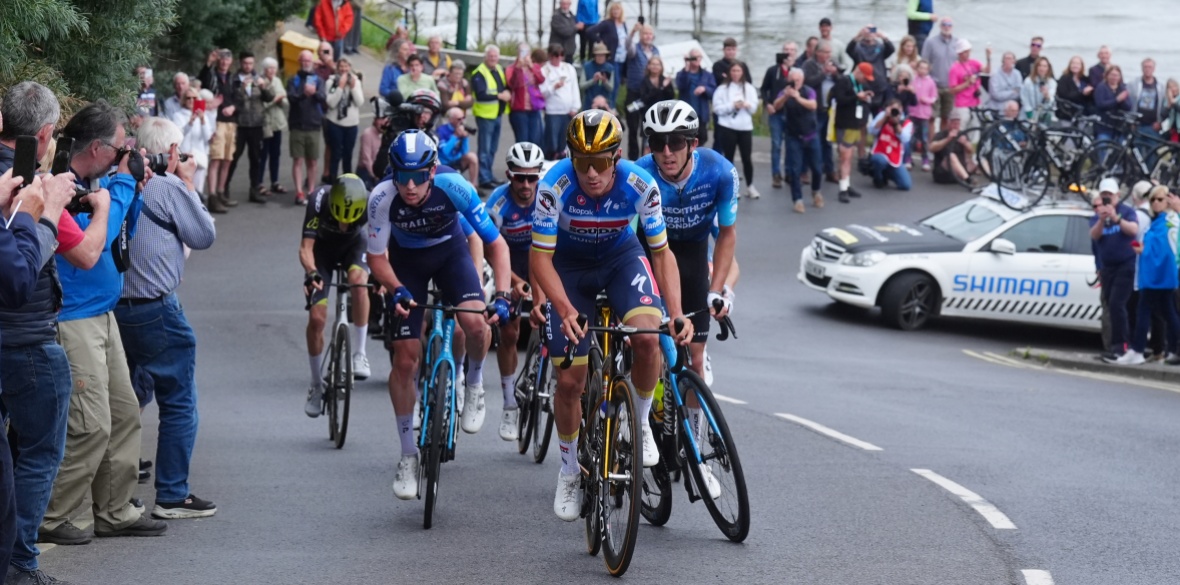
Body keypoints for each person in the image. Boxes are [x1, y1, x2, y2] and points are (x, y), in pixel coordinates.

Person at [530, 110, 692, 521]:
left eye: (600, 162)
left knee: (648, 338)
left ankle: (636, 425)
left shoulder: (641, 183)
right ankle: (568, 472)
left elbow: (661, 252)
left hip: (621, 258)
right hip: (568, 267)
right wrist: (563, 309)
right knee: (570, 381)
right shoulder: (554, 185)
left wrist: (674, 313)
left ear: (616, 158)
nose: (591, 174)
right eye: (582, 162)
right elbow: (540, 259)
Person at [45, 102, 169, 544]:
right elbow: (88, 248)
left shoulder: (100, 184)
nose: (125, 156)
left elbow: (119, 238)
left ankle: (116, 509)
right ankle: (51, 513)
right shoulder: (60, 185)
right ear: (97, 147)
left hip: (103, 313)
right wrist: (120, 187)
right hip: (73, 318)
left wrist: (130, 190)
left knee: (123, 414)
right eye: (120, 149)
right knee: (90, 424)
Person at [366, 130, 512, 500]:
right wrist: (394, 286)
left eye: (418, 176)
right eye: (402, 176)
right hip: (406, 263)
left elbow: (495, 242)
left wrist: (505, 295)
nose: (410, 186)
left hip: (450, 253)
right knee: (404, 359)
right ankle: (407, 455)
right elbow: (376, 258)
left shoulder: (453, 184)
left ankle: (474, 384)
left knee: (476, 324)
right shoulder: (382, 196)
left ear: (432, 170)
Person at [0, 82, 99, 585]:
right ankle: (20, 561)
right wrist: (53, 210)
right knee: (40, 453)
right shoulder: (27, 184)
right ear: (44, 135)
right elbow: (25, 268)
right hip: (27, 337)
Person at [119, 118, 218, 521]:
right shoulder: (169, 186)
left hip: (113, 307)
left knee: (125, 396)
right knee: (178, 400)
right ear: (171, 152)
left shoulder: (121, 181)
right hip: (156, 309)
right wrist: (188, 182)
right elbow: (204, 235)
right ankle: (173, 493)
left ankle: (111, 490)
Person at [634, 101, 735, 462]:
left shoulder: (720, 172)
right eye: (657, 142)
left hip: (691, 254)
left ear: (692, 143)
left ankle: (693, 442)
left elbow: (726, 236)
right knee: (642, 338)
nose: (666, 152)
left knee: (695, 358)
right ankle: (640, 421)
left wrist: (716, 289)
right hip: (649, 251)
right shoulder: (640, 172)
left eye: (675, 142)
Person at [484, 143, 545, 440]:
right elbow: (490, 251)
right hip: (507, 264)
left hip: (543, 260)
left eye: (532, 178)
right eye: (519, 178)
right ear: (508, 175)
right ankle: (509, 403)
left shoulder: (548, 197)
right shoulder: (497, 204)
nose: (525, 185)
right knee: (509, 332)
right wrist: (516, 283)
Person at [300, 174, 372, 416]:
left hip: (355, 248)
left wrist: (383, 278)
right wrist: (311, 273)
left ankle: (360, 353)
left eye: (348, 221)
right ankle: (316, 384)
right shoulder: (318, 199)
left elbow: (382, 246)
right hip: (323, 252)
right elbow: (306, 248)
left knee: (359, 282)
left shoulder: (370, 203)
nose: (343, 226)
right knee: (317, 319)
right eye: (339, 220)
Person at [1117, 185, 1180, 365]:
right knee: (1168, 313)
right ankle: (1171, 348)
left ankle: (1137, 349)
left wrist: (1143, 250)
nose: (1155, 203)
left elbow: (1165, 250)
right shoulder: (1159, 221)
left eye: (1160, 199)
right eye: (1153, 199)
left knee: (1144, 310)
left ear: (1168, 200)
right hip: (1157, 276)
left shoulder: (1169, 221)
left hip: (1159, 276)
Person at [1090, 178, 1139, 361]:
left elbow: (1133, 230)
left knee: (1118, 304)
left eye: (1110, 195)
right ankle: (1114, 346)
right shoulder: (1098, 213)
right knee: (1111, 306)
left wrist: (1115, 217)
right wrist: (1102, 220)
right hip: (1107, 267)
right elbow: (1094, 235)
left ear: (1117, 195)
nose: (1107, 198)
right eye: (1104, 195)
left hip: (1125, 265)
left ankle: (1122, 346)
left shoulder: (1126, 211)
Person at [224, 51, 274, 204]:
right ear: (240, 63)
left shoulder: (259, 78)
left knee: (256, 159)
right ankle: (224, 189)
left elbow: (270, 97)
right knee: (233, 158)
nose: (248, 66)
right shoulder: (233, 79)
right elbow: (231, 100)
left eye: (251, 63)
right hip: (239, 124)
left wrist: (264, 87)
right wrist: (241, 89)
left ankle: (255, 189)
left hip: (257, 124)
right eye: (245, 63)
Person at [771, 69, 824, 212]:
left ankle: (816, 191)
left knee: (817, 167)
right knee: (795, 169)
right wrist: (786, 97)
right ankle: (797, 199)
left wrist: (798, 97)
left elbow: (813, 105)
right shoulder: (785, 92)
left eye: (798, 80)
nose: (795, 83)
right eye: (792, 80)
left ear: (802, 79)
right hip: (793, 135)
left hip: (811, 134)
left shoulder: (809, 91)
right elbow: (776, 106)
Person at [713, 61, 760, 199]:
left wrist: (746, 105)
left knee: (747, 158)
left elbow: (754, 108)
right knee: (729, 158)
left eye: (738, 71)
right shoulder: (722, 89)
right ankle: (732, 187)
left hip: (744, 127)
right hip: (727, 126)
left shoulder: (749, 88)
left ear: (743, 72)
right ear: (729, 72)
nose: (736, 74)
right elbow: (717, 109)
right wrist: (732, 106)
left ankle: (750, 186)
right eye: (733, 71)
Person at [200, 49, 239, 210]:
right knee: (216, 159)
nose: (224, 62)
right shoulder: (212, 75)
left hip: (232, 122)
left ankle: (222, 192)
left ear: (231, 61)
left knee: (228, 159)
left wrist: (233, 108)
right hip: (217, 121)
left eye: (227, 60)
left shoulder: (233, 78)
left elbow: (240, 97)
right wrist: (208, 63)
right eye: (221, 60)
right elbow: (202, 83)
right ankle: (213, 196)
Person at [288, 50, 329, 205]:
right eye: (303, 60)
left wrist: (314, 93)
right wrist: (304, 94)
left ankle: (311, 191)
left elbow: (323, 98)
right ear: (299, 61)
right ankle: (299, 191)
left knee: (312, 161)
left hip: (313, 125)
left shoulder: (318, 80)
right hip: (297, 124)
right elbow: (291, 98)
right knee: (297, 159)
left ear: (313, 62)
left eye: (309, 60)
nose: (306, 63)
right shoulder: (294, 80)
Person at [831, 63, 874, 203]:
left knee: (849, 156)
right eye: (865, 77)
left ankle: (846, 184)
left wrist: (865, 97)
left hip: (856, 124)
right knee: (845, 155)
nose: (865, 80)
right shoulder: (844, 81)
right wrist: (856, 97)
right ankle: (843, 188)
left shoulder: (860, 84)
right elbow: (840, 99)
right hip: (845, 124)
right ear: (858, 72)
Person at [169, 88, 217, 210]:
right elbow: (179, 136)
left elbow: (207, 137)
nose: (191, 100)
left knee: (198, 191)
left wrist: (202, 120)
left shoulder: (204, 115)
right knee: (185, 190)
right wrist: (190, 122)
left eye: (194, 98)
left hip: (199, 157)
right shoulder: (178, 115)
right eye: (188, 98)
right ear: (184, 100)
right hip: (184, 158)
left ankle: (200, 215)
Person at [472, 45, 511, 190]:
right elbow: (481, 94)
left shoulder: (499, 69)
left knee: (493, 148)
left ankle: (489, 175)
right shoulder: (479, 73)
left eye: (495, 56)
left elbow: (504, 86)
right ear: (485, 57)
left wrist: (507, 93)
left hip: (497, 114)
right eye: (490, 56)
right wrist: (500, 96)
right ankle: (484, 178)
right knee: (485, 149)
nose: (493, 59)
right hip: (485, 115)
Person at [804, 41, 842, 183]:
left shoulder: (833, 63)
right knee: (812, 141)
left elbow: (841, 81)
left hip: (830, 109)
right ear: (818, 53)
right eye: (826, 52)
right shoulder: (809, 65)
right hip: (816, 109)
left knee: (827, 142)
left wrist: (835, 74)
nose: (828, 55)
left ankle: (829, 170)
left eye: (830, 52)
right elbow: (808, 83)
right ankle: (808, 171)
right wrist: (823, 73)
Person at [324, 58, 365, 183]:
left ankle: (348, 183)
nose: (344, 69)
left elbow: (360, 102)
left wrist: (352, 88)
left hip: (351, 124)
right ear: (337, 67)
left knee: (348, 154)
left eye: (346, 66)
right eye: (341, 66)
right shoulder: (331, 81)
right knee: (336, 154)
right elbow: (330, 103)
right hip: (335, 123)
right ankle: (332, 182)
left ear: (350, 67)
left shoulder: (356, 81)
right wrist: (340, 87)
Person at [624, 24, 660, 159]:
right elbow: (627, 46)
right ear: (640, 36)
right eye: (645, 33)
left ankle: (646, 158)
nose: (648, 36)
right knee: (632, 128)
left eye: (650, 34)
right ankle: (633, 159)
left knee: (648, 128)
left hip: (649, 95)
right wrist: (633, 31)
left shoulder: (656, 51)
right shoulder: (635, 49)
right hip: (634, 93)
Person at [762, 44, 796, 189]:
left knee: (790, 144)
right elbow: (764, 89)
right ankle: (776, 174)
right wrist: (767, 104)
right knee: (776, 144)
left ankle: (789, 172)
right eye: (786, 50)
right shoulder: (773, 70)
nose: (788, 53)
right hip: (776, 113)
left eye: (791, 50)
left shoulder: (797, 71)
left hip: (792, 113)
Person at [586, 1, 630, 108]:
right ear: (610, 11)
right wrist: (599, 41)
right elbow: (590, 31)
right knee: (613, 84)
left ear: (621, 11)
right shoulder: (607, 23)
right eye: (614, 9)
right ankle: (611, 106)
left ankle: (611, 106)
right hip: (612, 59)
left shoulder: (623, 24)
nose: (616, 12)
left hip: (622, 59)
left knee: (618, 84)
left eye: (618, 9)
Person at [541, 44, 581, 159]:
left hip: (567, 111)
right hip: (552, 112)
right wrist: (554, 87)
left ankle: (561, 161)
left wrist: (575, 107)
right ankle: (550, 160)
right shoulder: (545, 70)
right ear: (550, 56)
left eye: (561, 55)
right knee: (551, 143)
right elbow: (542, 92)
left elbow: (574, 88)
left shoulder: (569, 68)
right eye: (555, 55)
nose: (558, 58)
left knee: (565, 142)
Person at [866, 98, 914, 191]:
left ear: (901, 109)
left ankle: (888, 174)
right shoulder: (883, 115)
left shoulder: (907, 122)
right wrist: (885, 117)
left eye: (897, 109)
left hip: (895, 157)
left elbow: (905, 139)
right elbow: (871, 131)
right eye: (893, 109)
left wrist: (896, 123)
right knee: (879, 161)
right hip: (881, 153)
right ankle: (878, 178)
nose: (894, 111)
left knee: (905, 185)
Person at [632, 56, 675, 156]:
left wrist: (666, 86)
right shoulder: (644, 81)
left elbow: (671, 97)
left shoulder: (665, 80)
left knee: (662, 143)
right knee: (647, 145)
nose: (655, 66)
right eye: (653, 64)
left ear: (661, 67)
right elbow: (644, 99)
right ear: (648, 66)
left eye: (657, 64)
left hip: (663, 118)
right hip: (648, 117)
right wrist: (660, 87)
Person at [919, 17, 957, 129]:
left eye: (949, 25)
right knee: (931, 117)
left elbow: (961, 63)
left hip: (950, 87)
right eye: (944, 24)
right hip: (934, 86)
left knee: (946, 117)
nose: (947, 27)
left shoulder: (957, 42)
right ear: (940, 26)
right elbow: (924, 62)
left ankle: (941, 144)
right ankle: (930, 144)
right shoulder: (930, 42)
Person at [260, 57, 289, 197]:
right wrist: (275, 99)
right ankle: (259, 183)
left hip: (277, 123)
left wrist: (280, 100)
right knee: (262, 155)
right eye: (268, 68)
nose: (271, 71)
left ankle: (275, 181)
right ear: (264, 70)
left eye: (273, 68)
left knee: (275, 154)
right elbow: (261, 105)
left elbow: (286, 104)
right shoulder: (259, 82)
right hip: (264, 125)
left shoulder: (277, 81)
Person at [847, 26, 894, 112]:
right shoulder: (858, 47)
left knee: (878, 113)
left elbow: (891, 49)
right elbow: (849, 50)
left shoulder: (880, 47)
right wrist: (858, 36)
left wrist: (883, 37)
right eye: (867, 30)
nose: (869, 32)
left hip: (878, 86)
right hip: (862, 86)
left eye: (872, 30)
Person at [506, 45, 546, 147]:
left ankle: (532, 162)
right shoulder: (511, 68)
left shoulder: (534, 67)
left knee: (534, 140)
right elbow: (512, 84)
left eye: (527, 52)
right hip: (519, 110)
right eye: (522, 51)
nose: (525, 54)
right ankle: (521, 163)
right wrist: (518, 69)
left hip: (534, 109)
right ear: (518, 53)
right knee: (522, 140)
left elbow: (541, 79)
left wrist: (531, 67)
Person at [946, 39, 987, 127]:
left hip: (975, 103)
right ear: (959, 53)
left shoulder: (974, 63)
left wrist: (988, 58)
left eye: (968, 51)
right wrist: (967, 83)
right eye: (965, 52)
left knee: (975, 129)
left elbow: (986, 71)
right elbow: (952, 90)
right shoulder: (954, 69)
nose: (968, 54)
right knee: (961, 129)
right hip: (962, 105)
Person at [928, 110, 975, 184]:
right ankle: (968, 179)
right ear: (948, 123)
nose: (956, 126)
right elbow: (931, 148)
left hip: (960, 170)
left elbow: (971, 150)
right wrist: (948, 139)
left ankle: (992, 179)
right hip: (943, 172)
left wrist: (965, 143)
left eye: (958, 123)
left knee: (980, 157)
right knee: (951, 156)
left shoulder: (962, 134)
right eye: (954, 123)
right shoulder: (941, 134)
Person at [907, 60, 937, 172]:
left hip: (924, 114)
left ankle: (925, 159)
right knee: (911, 138)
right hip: (913, 112)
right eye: (921, 68)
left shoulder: (931, 82)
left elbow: (934, 97)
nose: (922, 70)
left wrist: (926, 100)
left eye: (925, 68)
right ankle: (908, 159)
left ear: (928, 70)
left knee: (924, 139)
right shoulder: (913, 80)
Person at [436, 107, 480, 185]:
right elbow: (445, 152)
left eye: (463, 118)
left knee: (472, 157)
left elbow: (465, 152)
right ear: (451, 119)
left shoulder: (461, 129)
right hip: (444, 164)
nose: (462, 121)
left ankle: (474, 186)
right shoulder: (441, 130)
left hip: (457, 161)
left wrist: (465, 138)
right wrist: (455, 136)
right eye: (459, 119)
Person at [1094, 65, 1133, 143]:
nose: (1114, 77)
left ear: (1120, 77)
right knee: (1102, 146)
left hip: (1119, 127)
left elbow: (1128, 107)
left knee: (1119, 151)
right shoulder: (1101, 87)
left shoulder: (1122, 88)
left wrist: (1122, 100)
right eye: (1112, 75)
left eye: (1116, 75)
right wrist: (1117, 100)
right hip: (1104, 126)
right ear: (1107, 75)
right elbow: (1100, 104)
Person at [1129, 58, 1165, 137]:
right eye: (1145, 67)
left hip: (1153, 126)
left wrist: (1160, 122)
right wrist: (1131, 121)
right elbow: (1129, 103)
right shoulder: (1133, 84)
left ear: (1154, 69)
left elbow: (1164, 106)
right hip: (1137, 124)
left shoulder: (1161, 86)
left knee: (1153, 148)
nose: (1147, 69)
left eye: (1150, 67)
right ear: (1142, 68)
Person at [1021, 57, 1057, 124]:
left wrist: (1047, 95)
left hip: (1044, 115)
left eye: (1044, 66)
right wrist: (1029, 114)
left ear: (1048, 68)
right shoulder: (1028, 81)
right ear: (1036, 67)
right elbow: (1024, 98)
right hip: (1029, 114)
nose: (1042, 68)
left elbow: (1051, 100)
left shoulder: (1052, 82)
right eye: (1039, 65)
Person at [1057, 55, 1093, 120]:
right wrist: (1082, 93)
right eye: (1073, 63)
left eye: (1078, 64)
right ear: (1069, 65)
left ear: (1082, 66)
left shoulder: (1085, 79)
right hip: (1067, 111)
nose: (1075, 65)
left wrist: (1089, 92)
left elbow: (1088, 98)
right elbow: (1064, 95)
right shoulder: (1064, 78)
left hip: (1082, 112)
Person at [357, 116, 386, 188]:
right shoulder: (367, 134)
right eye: (381, 119)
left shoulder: (387, 134)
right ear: (375, 120)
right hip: (366, 171)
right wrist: (375, 176)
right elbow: (366, 159)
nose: (383, 123)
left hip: (381, 170)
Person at [550, 0, 578, 64]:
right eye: (563, 4)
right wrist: (576, 27)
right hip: (557, 52)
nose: (565, 6)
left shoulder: (572, 16)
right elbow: (565, 32)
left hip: (569, 51)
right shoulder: (556, 16)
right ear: (560, 4)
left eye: (567, 4)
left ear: (570, 4)